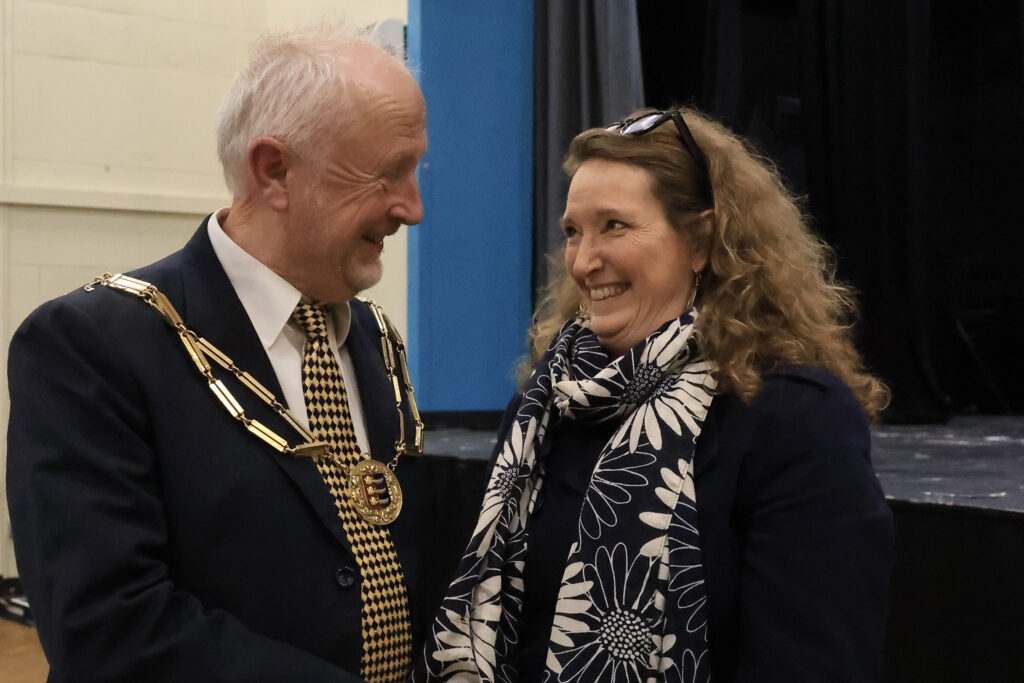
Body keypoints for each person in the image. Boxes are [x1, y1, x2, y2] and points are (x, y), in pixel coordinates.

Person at [7, 24, 431, 682]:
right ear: (275, 171)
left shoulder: (372, 337)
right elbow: (108, 630)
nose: (412, 207)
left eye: (415, 170)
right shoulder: (94, 345)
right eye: (388, 174)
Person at [420, 108, 894, 682]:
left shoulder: (795, 418)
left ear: (701, 242)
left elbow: (816, 663)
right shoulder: (548, 402)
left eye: (614, 226)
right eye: (573, 231)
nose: (583, 262)